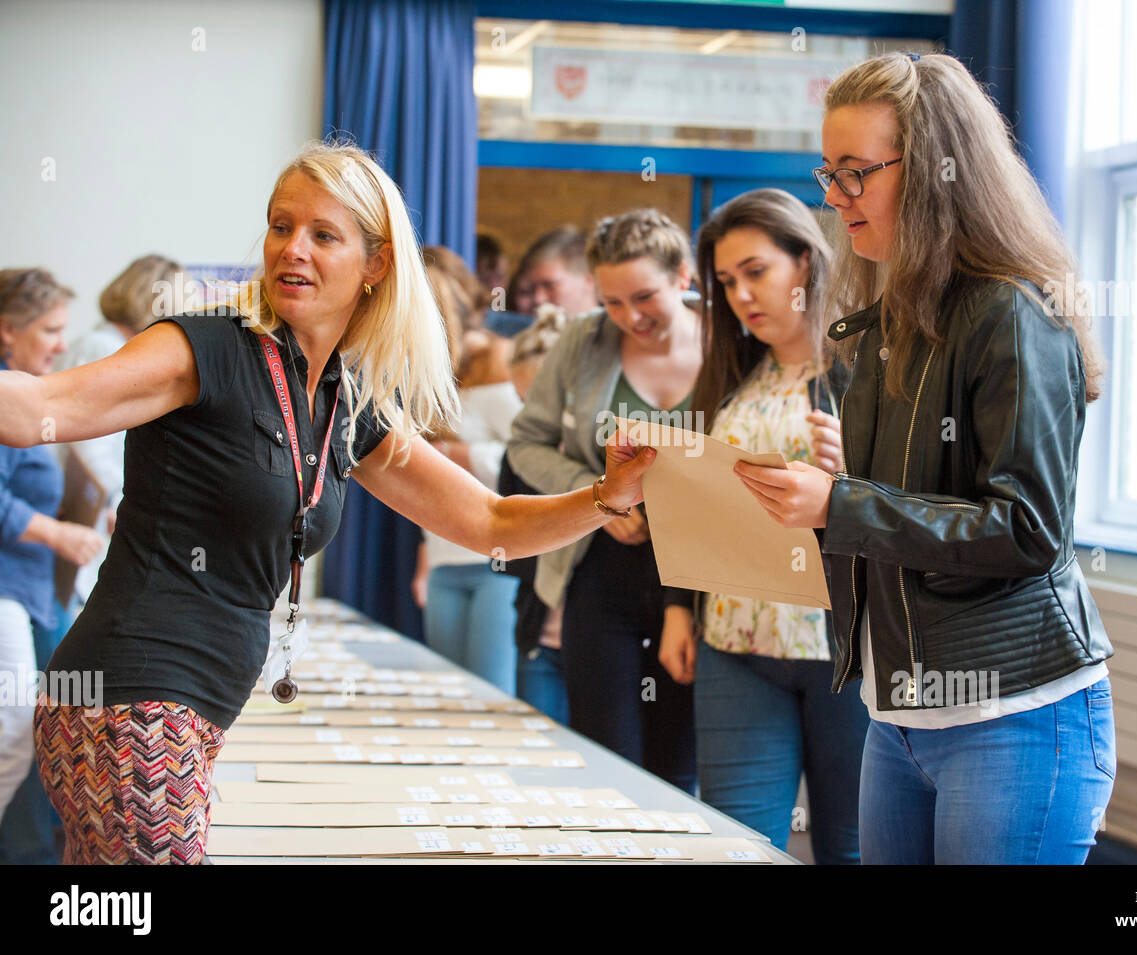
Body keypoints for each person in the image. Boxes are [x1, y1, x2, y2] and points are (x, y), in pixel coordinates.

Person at [0, 141, 655, 864]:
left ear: (376, 264)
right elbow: (35, 410)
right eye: (281, 227)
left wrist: (604, 496)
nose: (293, 250)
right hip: (129, 702)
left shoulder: (346, 400)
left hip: (180, 714)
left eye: (322, 234)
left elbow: (488, 521)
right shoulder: (202, 349)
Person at [733, 51, 1115, 864]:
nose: (832, 199)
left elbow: (1025, 528)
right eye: (826, 172)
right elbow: (898, 512)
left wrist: (838, 505)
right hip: (899, 715)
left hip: (1014, 715)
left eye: (855, 173)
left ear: (941, 171)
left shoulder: (1011, 312)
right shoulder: (886, 320)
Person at [657, 188, 870, 863]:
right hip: (734, 640)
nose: (742, 295)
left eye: (757, 271)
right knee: (737, 846)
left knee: (852, 846)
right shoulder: (727, 374)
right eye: (726, 281)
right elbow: (695, 505)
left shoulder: (869, 369)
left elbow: (918, 505)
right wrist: (676, 609)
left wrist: (856, 475)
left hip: (846, 648)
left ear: (805, 262)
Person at [507, 209, 700, 792]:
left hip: (695, 574)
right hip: (600, 569)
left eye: (643, 297)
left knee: (678, 768)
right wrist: (599, 499)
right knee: (605, 761)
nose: (628, 317)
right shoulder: (581, 339)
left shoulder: (732, 343)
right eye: (611, 302)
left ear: (683, 278)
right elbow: (526, 445)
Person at [0, 269, 104, 824]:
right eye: (50, 331)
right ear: (7, 331)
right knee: (14, 738)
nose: (63, 345)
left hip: (27, 595)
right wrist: (59, 533)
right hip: (6, 598)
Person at [411, 246, 521, 693]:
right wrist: (424, 563)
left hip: (496, 563)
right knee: (449, 695)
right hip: (443, 561)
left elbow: (528, 465)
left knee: (489, 697)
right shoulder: (430, 373)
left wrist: (458, 455)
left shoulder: (500, 361)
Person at [59, 254, 188, 603]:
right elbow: (89, 441)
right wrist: (120, 497)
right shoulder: (102, 348)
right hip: (87, 509)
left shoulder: (112, 347)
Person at [496, 305, 572, 724]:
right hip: (538, 634)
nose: (531, 418)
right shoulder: (518, 455)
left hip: (592, 641)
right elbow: (509, 544)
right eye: (523, 403)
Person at [511, 226, 599, 318]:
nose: (537, 299)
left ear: (589, 280)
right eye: (532, 288)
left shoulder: (612, 330)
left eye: (549, 286)